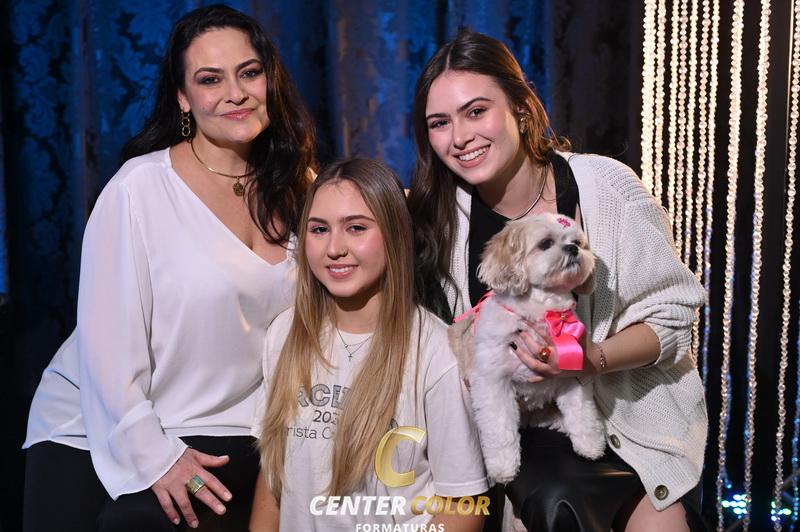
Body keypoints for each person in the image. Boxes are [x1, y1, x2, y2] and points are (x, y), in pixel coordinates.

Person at [22, 5, 315, 531]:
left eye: (249, 72)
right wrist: (155, 455)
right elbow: (106, 348)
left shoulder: (301, 188)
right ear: (183, 98)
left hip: (227, 425)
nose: (235, 93)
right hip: (97, 423)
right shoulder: (138, 189)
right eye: (210, 79)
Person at [408, 29, 708, 531]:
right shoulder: (437, 221)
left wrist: (591, 359)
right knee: (556, 500)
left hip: (629, 424)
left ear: (520, 108)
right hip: (510, 438)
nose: (459, 137)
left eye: (476, 111)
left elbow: (673, 317)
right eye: (440, 123)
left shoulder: (605, 187)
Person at [250, 158, 488, 531]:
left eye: (356, 228)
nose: (334, 248)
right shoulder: (285, 334)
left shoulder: (435, 351)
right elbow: (272, 477)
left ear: (394, 234)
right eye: (319, 229)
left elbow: (464, 505)